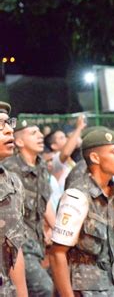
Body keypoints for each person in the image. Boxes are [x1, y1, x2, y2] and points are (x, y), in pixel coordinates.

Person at [49, 128, 114, 296]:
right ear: (95, 157)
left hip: (111, 286)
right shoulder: (77, 196)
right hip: (85, 290)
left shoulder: (113, 192)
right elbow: (57, 254)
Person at [2, 118, 55, 296]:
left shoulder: (40, 167)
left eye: (9, 124)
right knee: (44, 288)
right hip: (22, 244)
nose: (40, 136)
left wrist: (56, 230)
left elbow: (44, 202)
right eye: (33, 133)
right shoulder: (12, 168)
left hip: (34, 243)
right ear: (20, 141)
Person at [0, 102, 27, 296]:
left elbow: (14, 249)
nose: (10, 130)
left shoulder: (12, 182)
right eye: (1, 125)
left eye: (9, 123)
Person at [44, 115, 86, 191]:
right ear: (54, 146)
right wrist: (79, 127)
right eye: (61, 138)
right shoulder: (54, 159)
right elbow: (66, 152)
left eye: (65, 136)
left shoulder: (70, 159)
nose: (66, 139)